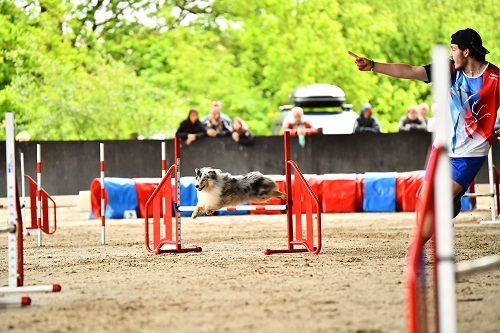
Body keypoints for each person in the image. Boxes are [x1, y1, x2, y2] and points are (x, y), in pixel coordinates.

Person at [351, 28, 499, 243]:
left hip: (471, 151)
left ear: (466, 52)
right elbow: (410, 71)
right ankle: (452, 204)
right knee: (423, 197)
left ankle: (415, 251)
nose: (451, 54)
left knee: (436, 201)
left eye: (454, 49)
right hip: (442, 146)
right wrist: (373, 65)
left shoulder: (495, 78)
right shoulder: (449, 71)